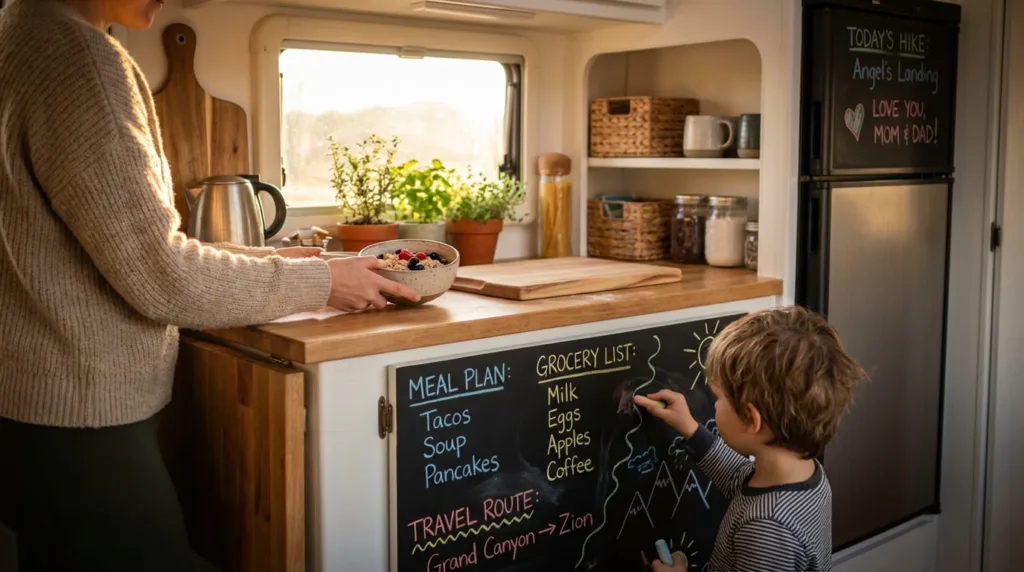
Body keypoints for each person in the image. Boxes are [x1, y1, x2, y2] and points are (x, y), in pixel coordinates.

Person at [0, 0, 419, 570]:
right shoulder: (79, 57)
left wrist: (314, 264)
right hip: (81, 424)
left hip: (31, 415)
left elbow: (143, 250)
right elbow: (165, 274)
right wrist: (321, 281)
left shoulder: (18, 29)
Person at [635, 306, 866, 572]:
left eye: (719, 398)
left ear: (752, 419)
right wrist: (690, 429)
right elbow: (740, 479)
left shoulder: (767, 529)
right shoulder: (804, 474)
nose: (715, 406)